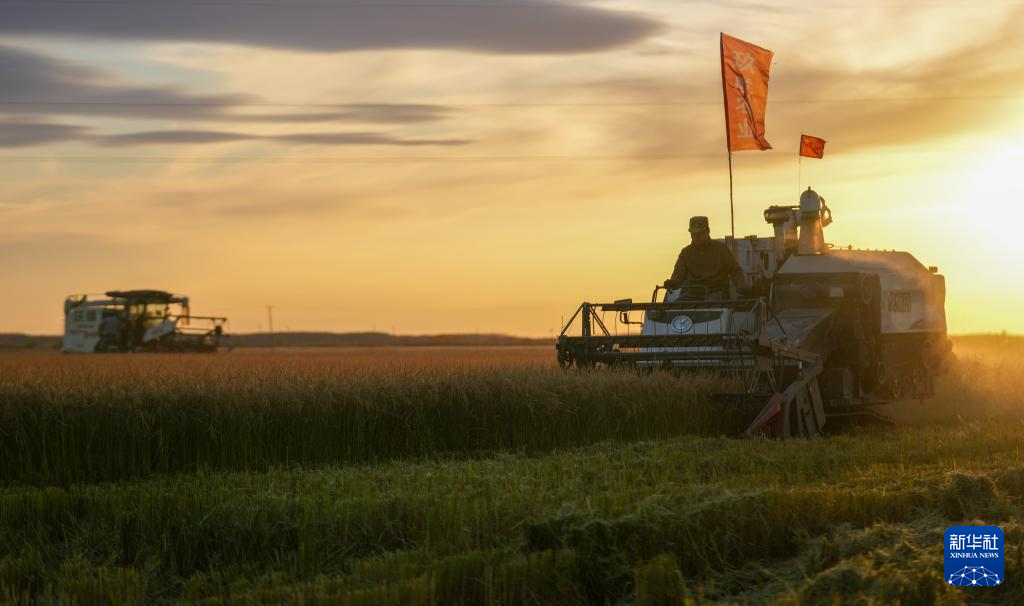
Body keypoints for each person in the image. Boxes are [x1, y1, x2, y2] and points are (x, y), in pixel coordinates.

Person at [663, 216, 745, 299]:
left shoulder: (721, 249)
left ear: (708, 231)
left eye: (699, 233)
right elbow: (678, 273)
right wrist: (673, 282)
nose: (696, 236)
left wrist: (741, 286)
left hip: (716, 292)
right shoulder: (686, 253)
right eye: (693, 233)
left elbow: (735, 270)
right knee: (676, 307)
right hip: (693, 294)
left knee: (712, 304)